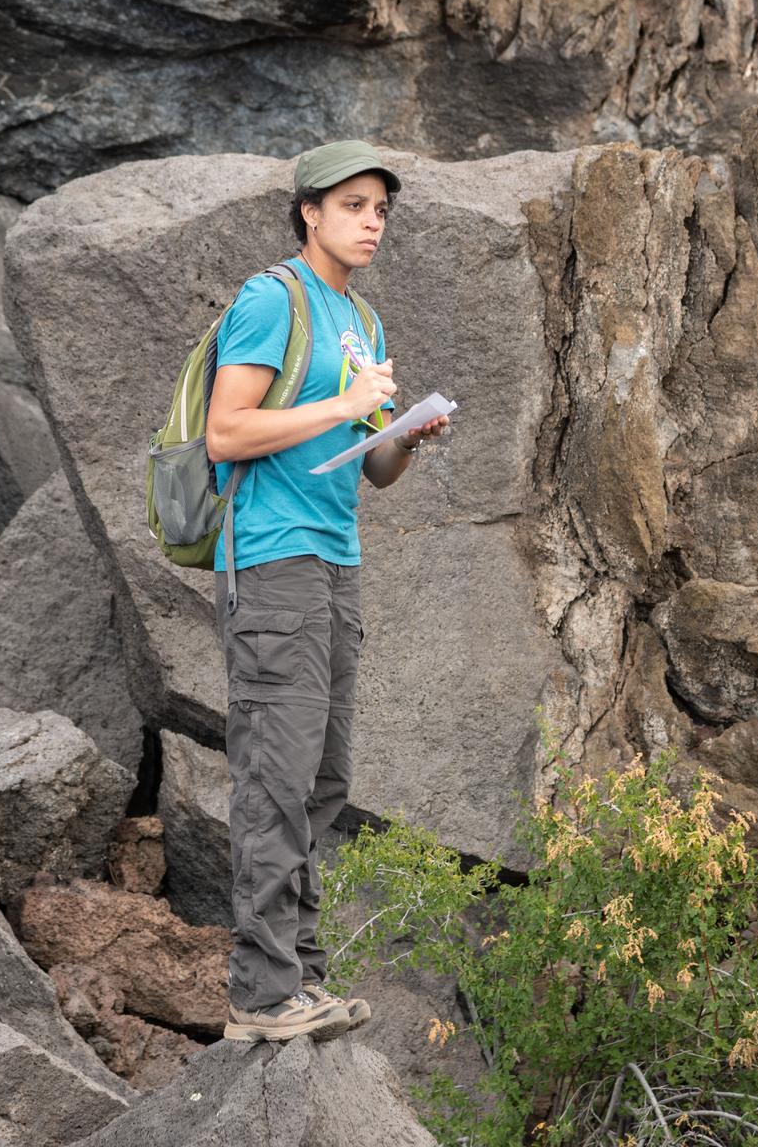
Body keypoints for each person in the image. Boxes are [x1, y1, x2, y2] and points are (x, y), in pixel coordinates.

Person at [206, 139, 449, 1043]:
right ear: (309, 212)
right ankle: (259, 994)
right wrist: (348, 405)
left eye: (380, 209)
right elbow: (227, 432)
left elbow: (371, 468)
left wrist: (405, 436)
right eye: (352, 205)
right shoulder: (272, 298)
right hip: (271, 561)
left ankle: (299, 979)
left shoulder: (362, 322)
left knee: (321, 777)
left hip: (335, 563)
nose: (371, 222)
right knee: (275, 773)